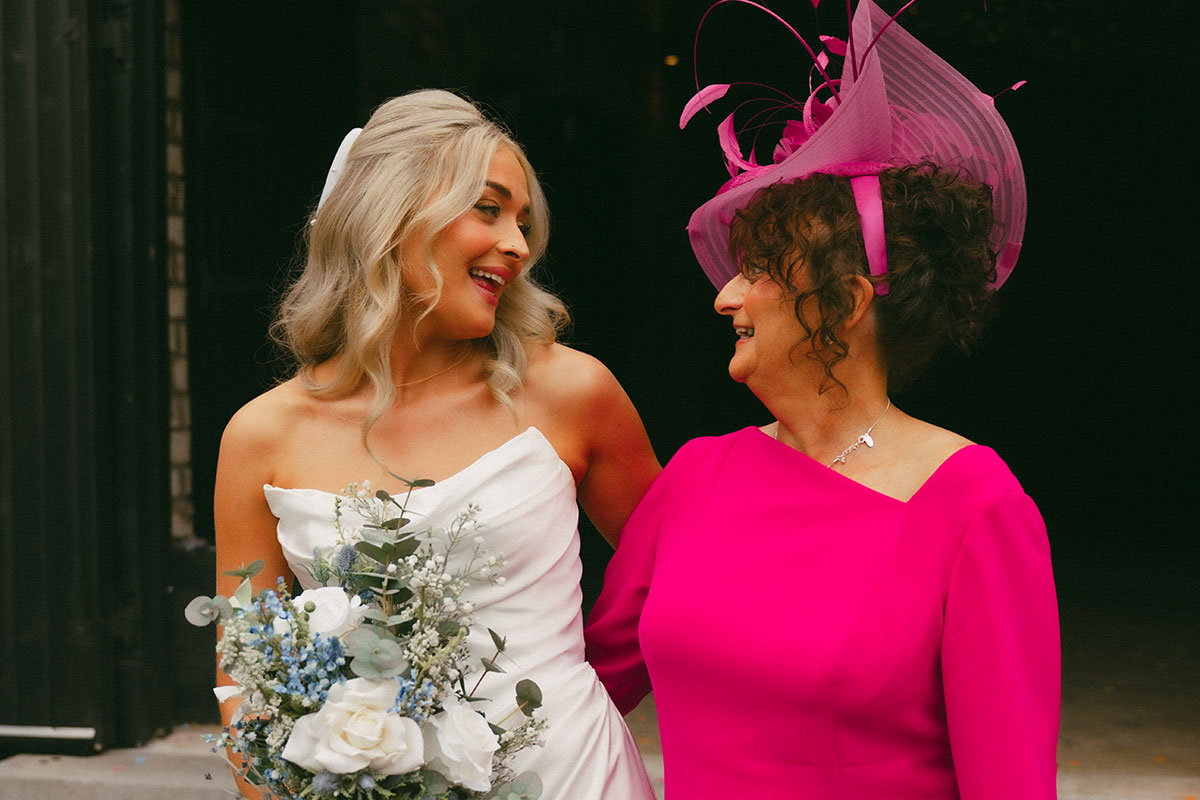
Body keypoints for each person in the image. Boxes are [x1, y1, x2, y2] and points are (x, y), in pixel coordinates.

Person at [585, 2, 1060, 798]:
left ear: (842, 304)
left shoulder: (976, 507)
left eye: (758, 269)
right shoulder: (696, 479)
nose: (724, 296)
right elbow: (576, 691)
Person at [214, 89, 660, 799]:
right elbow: (243, 676)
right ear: (391, 215)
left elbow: (682, 587)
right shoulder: (262, 434)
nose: (517, 244)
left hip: (573, 776)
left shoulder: (572, 393)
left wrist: (580, 698)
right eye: (488, 208)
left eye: (521, 220)